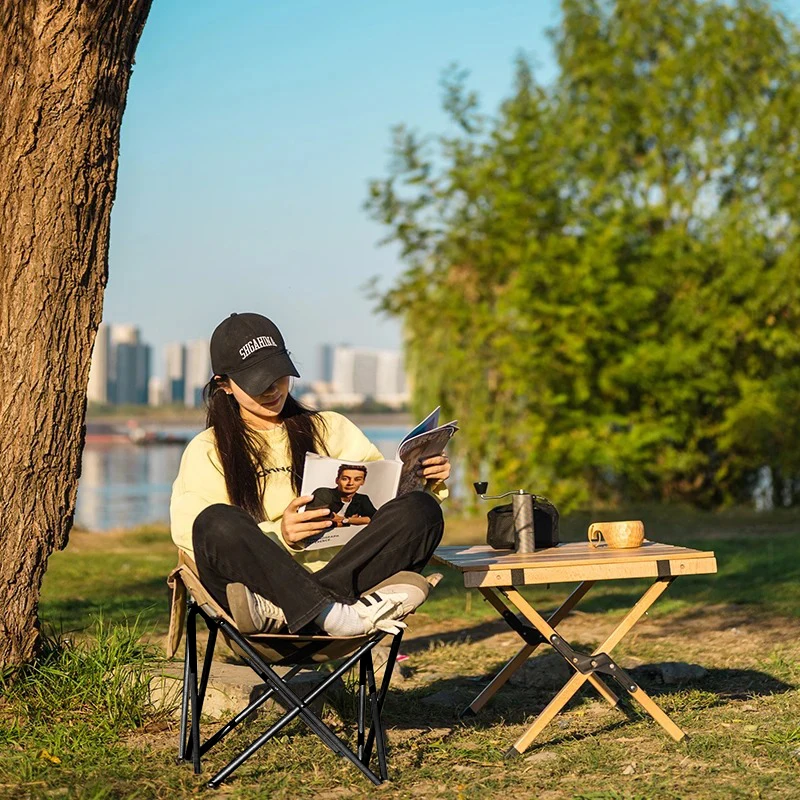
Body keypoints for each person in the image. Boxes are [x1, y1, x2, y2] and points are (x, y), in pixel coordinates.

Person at [170, 312, 450, 638]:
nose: (272, 390)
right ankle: (334, 612)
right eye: (257, 382)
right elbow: (192, 538)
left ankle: (316, 611)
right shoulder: (208, 450)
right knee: (215, 522)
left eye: (277, 376)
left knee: (422, 511)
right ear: (225, 385)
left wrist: (423, 478)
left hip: (331, 584)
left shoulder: (331, 428)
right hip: (255, 595)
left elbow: (383, 499)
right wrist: (281, 534)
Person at [307, 464, 377, 527]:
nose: (350, 483)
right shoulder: (323, 493)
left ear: (362, 482)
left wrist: (346, 520)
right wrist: (356, 521)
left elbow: (375, 518)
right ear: (337, 480)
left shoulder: (362, 499)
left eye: (357, 479)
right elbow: (320, 520)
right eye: (345, 479)